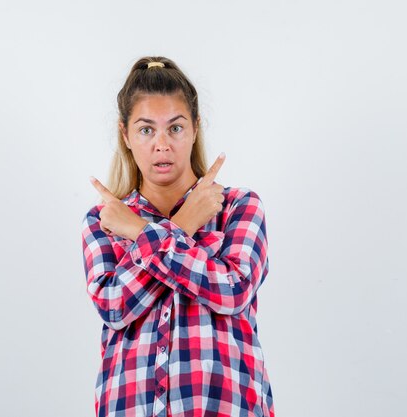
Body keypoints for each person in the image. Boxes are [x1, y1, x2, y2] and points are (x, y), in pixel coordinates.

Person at [80, 56, 275, 417]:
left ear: (195, 128)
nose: (162, 145)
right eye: (146, 130)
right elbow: (113, 306)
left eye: (175, 128)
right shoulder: (104, 220)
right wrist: (183, 225)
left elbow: (232, 291)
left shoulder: (238, 207)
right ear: (125, 135)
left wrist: (140, 233)